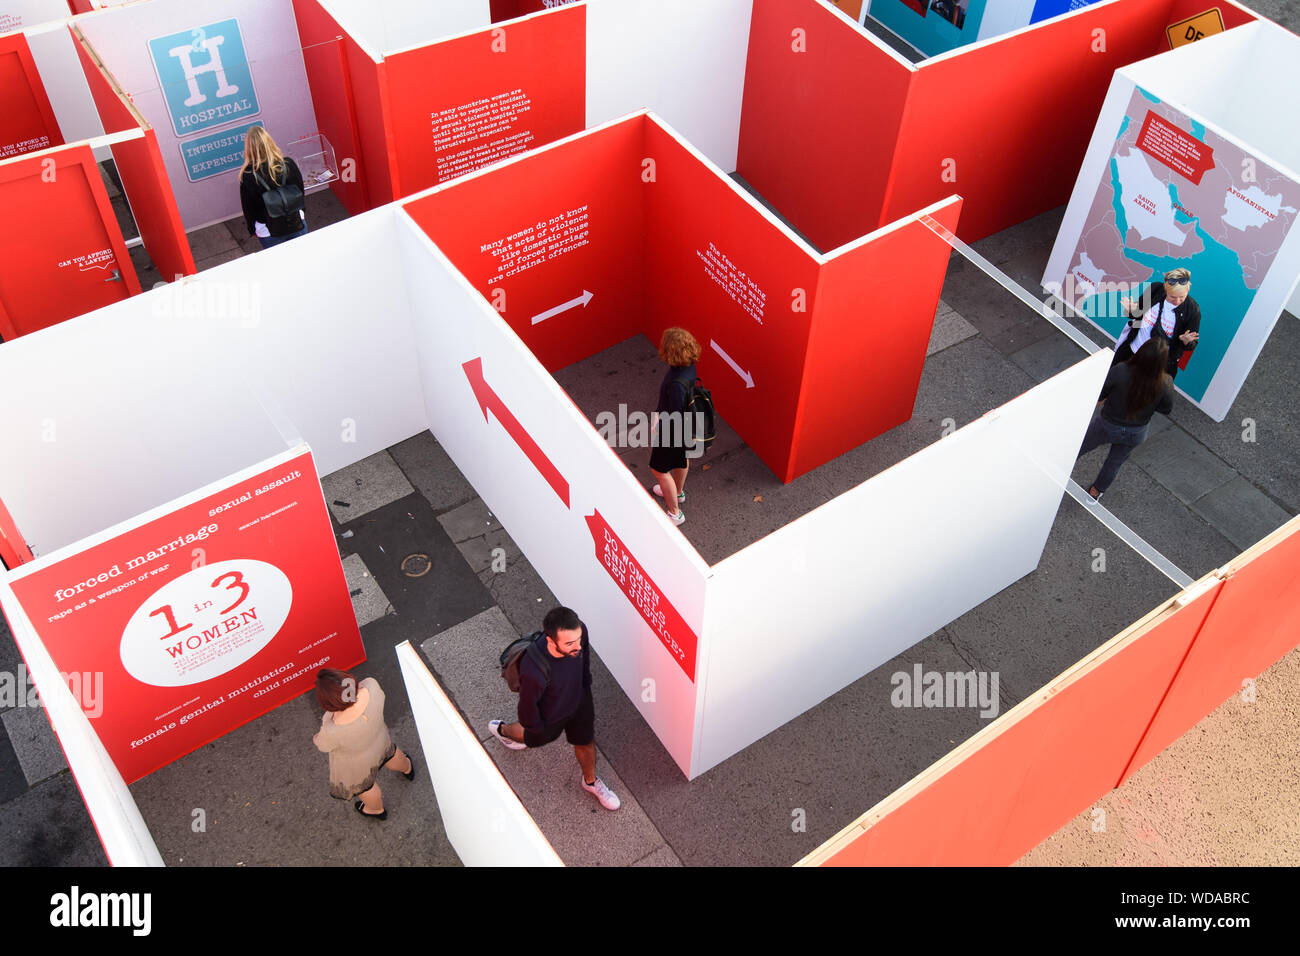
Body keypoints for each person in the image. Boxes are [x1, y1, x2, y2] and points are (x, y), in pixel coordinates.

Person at [488, 607, 620, 811]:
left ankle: (590, 782)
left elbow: (584, 662)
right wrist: (538, 729)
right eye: (569, 644)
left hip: (578, 700)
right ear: (551, 641)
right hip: (550, 714)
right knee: (528, 736)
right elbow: (527, 710)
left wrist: (585, 684)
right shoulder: (534, 669)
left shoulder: (579, 632)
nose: (577, 647)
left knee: (585, 742)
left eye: (578, 639)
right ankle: (503, 731)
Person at [1077, 338, 1175, 500]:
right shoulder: (1165, 383)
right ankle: (1095, 492)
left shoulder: (1121, 370)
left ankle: (1059, 470)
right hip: (1136, 432)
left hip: (1108, 424)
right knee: (1114, 463)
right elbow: (1166, 409)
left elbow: (1101, 393)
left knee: (1081, 446)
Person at [313, 668, 414, 820]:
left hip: (358, 762)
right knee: (391, 754)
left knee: (365, 787)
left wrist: (328, 718)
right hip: (380, 739)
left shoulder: (332, 730)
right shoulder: (371, 686)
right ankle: (407, 767)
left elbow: (322, 745)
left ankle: (376, 810)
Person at [648, 327, 702, 527]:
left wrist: (657, 427)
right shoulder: (689, 367)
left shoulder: (676, 383)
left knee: (659, 470)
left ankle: (675, 513)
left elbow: (674, 415)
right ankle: (677, 493)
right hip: (687, 428)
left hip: (672, 432)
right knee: (681, 459)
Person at [1115, 267, 1200, 377]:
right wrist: (1131, 310)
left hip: (1157, 366)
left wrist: (1186, 341)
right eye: (1173, 297)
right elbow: (1136, 314)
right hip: (1131, 352)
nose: (1177, 301)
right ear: (1166, 289)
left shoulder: (1193, 310)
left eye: (1182, 297)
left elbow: (1191, 344)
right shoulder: (1155, 289)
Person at [238, 126, 307, 250]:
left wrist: (252, 230)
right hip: (296, 222)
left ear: (248, 148)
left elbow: (248, 209)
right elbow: (300, 192)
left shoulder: (248, 175)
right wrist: (301, 212)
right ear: (269, 141)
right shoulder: (288, 164)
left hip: (267, 231)